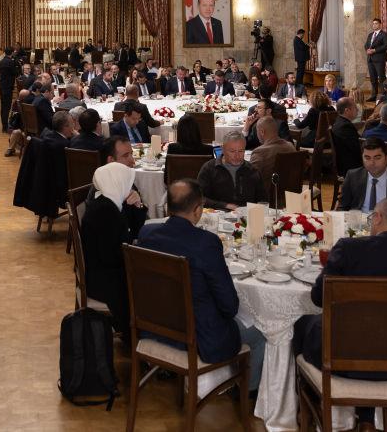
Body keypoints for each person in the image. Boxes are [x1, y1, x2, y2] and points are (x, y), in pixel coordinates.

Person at [294, 198, 387, 430]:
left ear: (378, 218)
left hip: (340, 357)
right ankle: (366, 419)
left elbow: (319, 298)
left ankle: (309, 410)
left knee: (302, 324)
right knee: (375, 334)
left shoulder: (349, 249)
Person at [139, 178, 266, 385]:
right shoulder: (206, 243)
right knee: (261, 333)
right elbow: (229, 306)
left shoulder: (146, 234)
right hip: (198, 338)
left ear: (168, 207)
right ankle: (248, 393)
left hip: (155, 327)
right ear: (198, 210)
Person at [80, 162, 144, 335]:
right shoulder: (105, 212)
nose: (129, 187)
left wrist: (137, 205)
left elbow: (136, 229)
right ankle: (138, 334)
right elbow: (113, 256)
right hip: (104, 280)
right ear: (117, 182)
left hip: (104, 271)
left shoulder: (109, 203)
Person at [197, 135, 265, 209]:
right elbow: (199, 198)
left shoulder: (252, 170)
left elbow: (263, 200)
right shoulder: (209, 168)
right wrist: (224, 206)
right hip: (217, 213)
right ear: (222, 149)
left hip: (246, 214)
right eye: (232, 151)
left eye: (241, 151)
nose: (237, 156)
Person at [247, 116, 297, 190]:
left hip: (266, 194)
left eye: (256, 131)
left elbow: (251, 181)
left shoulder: (259, 152)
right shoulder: (290, 146)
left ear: (262, 132)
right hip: (290, 193)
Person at [330, 97, 363, 176]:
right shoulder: (345, 126)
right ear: (347, 110)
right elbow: (357, 148)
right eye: (355, 108)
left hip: (345, 162)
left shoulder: (340, 121)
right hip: (349, 166)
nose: (357, 110)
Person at [363, 18, 387, 101]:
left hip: (379, 59)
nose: (374, 25)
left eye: (376, 23)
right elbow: (366, 45)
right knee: (373, 79)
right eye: (373, 23)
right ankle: (374, 96)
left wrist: (375, 50)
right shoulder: (370, 35)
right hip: (370, 59)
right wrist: (367, 50)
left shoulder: (384, 34)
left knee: (381, 78)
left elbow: (386, 46)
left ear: (380, 24)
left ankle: (384, 96)